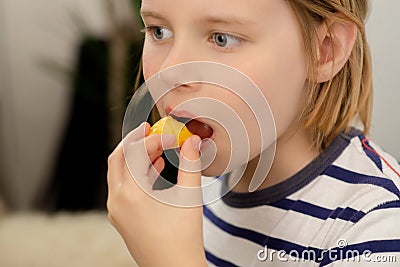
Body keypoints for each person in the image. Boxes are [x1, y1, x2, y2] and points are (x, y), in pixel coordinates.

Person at [107, 0, 400, 266]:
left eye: (222, 38)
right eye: (159, 32)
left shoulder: (376, 226)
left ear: (325, 50)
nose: (171, 72)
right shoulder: (201, 189)